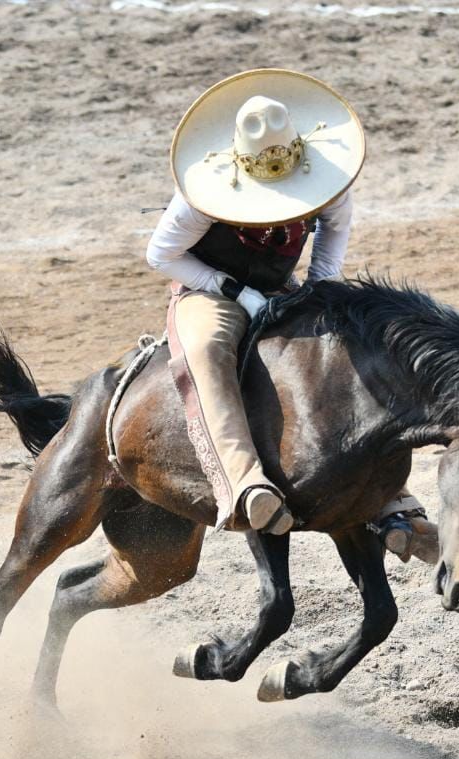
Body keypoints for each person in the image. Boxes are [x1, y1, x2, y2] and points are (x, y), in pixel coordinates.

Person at [146, 69, 437, 562]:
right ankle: (244, 483)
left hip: (282, 288)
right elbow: (162, 254)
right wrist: (231, 290)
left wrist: (322, 287)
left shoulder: (326, 180)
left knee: (342, 354)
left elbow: (335, 227)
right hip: (208, 291)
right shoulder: (199, 195)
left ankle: (391, 500)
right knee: (209, 351)